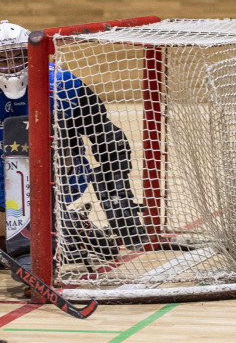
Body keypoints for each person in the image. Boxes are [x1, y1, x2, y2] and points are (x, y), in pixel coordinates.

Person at [0, 20, 147, 280]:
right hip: (3, 182)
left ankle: (52, 228)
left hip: (58, 176)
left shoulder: (63, 84)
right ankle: (72, 229)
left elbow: (109, 139)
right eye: (3, 59)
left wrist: (117, 194)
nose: (12, 67)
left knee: (18, 242)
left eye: (18, 56)